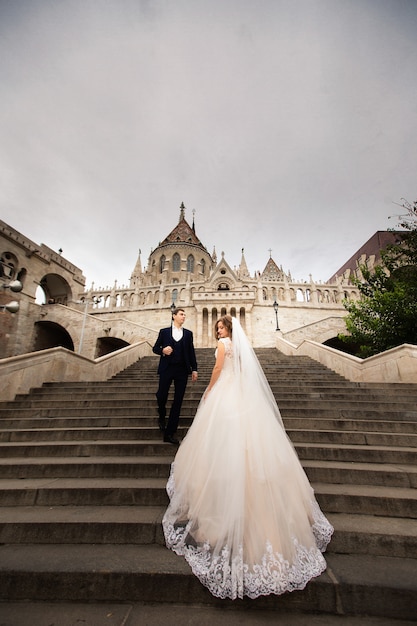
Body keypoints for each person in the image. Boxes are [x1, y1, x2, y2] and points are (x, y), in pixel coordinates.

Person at [162, 314, 333, 599]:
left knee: (218, 442)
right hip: (241, 395)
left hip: (224, 395)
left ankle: (222, 503)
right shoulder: (240, 348)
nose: (218, 331)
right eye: (217, 328)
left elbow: (218, 369)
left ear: (228, 329)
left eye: (220, 327)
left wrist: (209, 389)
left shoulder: (222, 346)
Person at [152, 307, 198, 445]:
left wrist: (194, 369)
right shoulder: (164, 332)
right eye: (181, 314)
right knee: (161, 395)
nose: (184, 316)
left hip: (182, 370)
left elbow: (191, 352)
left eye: (185, 315)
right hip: (167, 368)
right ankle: (161, 415)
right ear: (174, 316)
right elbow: (155, 348)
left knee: (178, 401)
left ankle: (170, 432)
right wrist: (163, 350)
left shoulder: (188, 334)